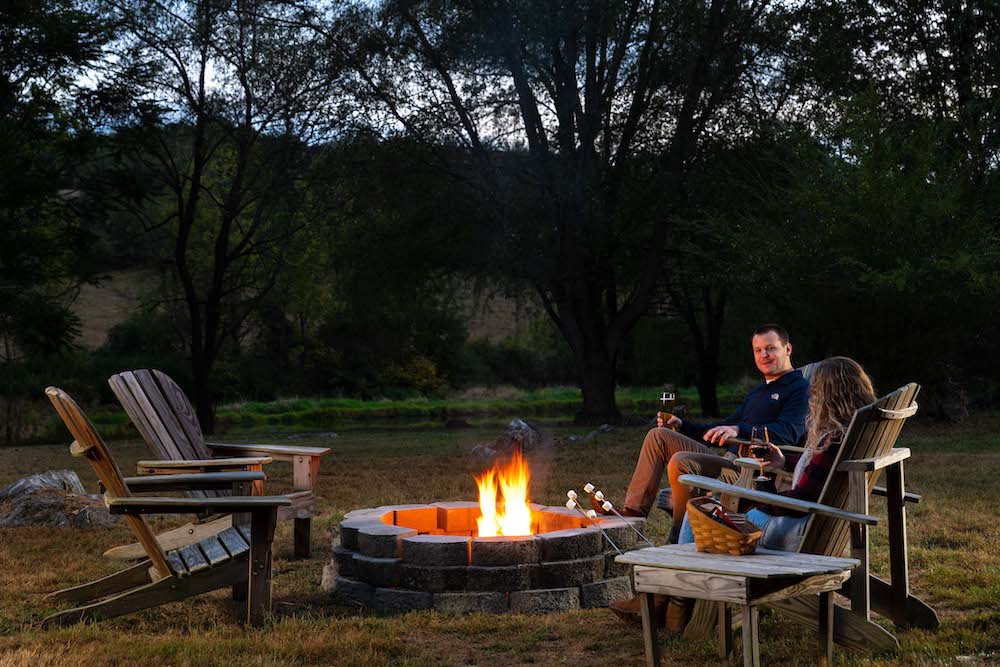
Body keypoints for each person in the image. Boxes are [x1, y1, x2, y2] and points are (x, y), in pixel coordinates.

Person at [660, 357, 877, 626]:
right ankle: (674, 600)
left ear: (828, 395)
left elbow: (798, 501)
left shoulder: (833, 441)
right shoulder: (851, 433)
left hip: (792, 530)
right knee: (716, 513)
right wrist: (784, 462)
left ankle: (679, 603)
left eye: (816, 391)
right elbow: (820, 475)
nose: (812, 397)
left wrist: (760, 495)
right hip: (817, 523)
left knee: (701, 518)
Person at [609, 324, 810, 545]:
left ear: (788, 349)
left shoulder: (799, 388)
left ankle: (678, 537)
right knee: (658, 436)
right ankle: (632, 515)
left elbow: (789, 432)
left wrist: (740, 430)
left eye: (770, 348)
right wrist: (683, 425)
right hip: (728, 462)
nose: (764, 355)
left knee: (680, 461)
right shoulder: (758, 392)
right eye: (758, 350)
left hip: (752, 471)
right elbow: (723, 426)